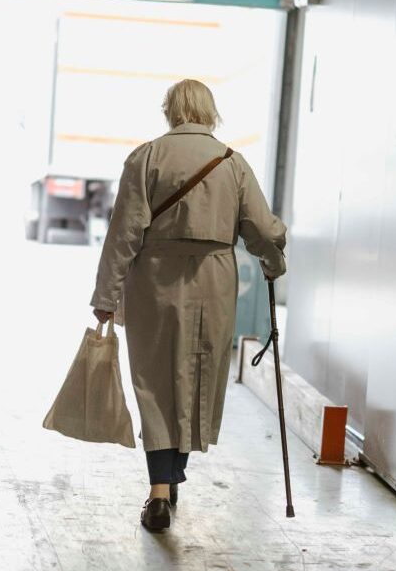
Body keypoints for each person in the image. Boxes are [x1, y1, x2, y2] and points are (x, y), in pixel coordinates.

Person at [90, 79, 287, 532]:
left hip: (153, 278)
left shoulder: (147, 157)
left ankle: (161, 487)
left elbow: (123, 233)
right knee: (198, 373)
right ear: (210, 113)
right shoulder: (232, 163)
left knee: (155, 379)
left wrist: (105, 298)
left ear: (171, 112)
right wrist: (274, 259)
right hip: (213, 278)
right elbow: (261, 228)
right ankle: (171, 475)